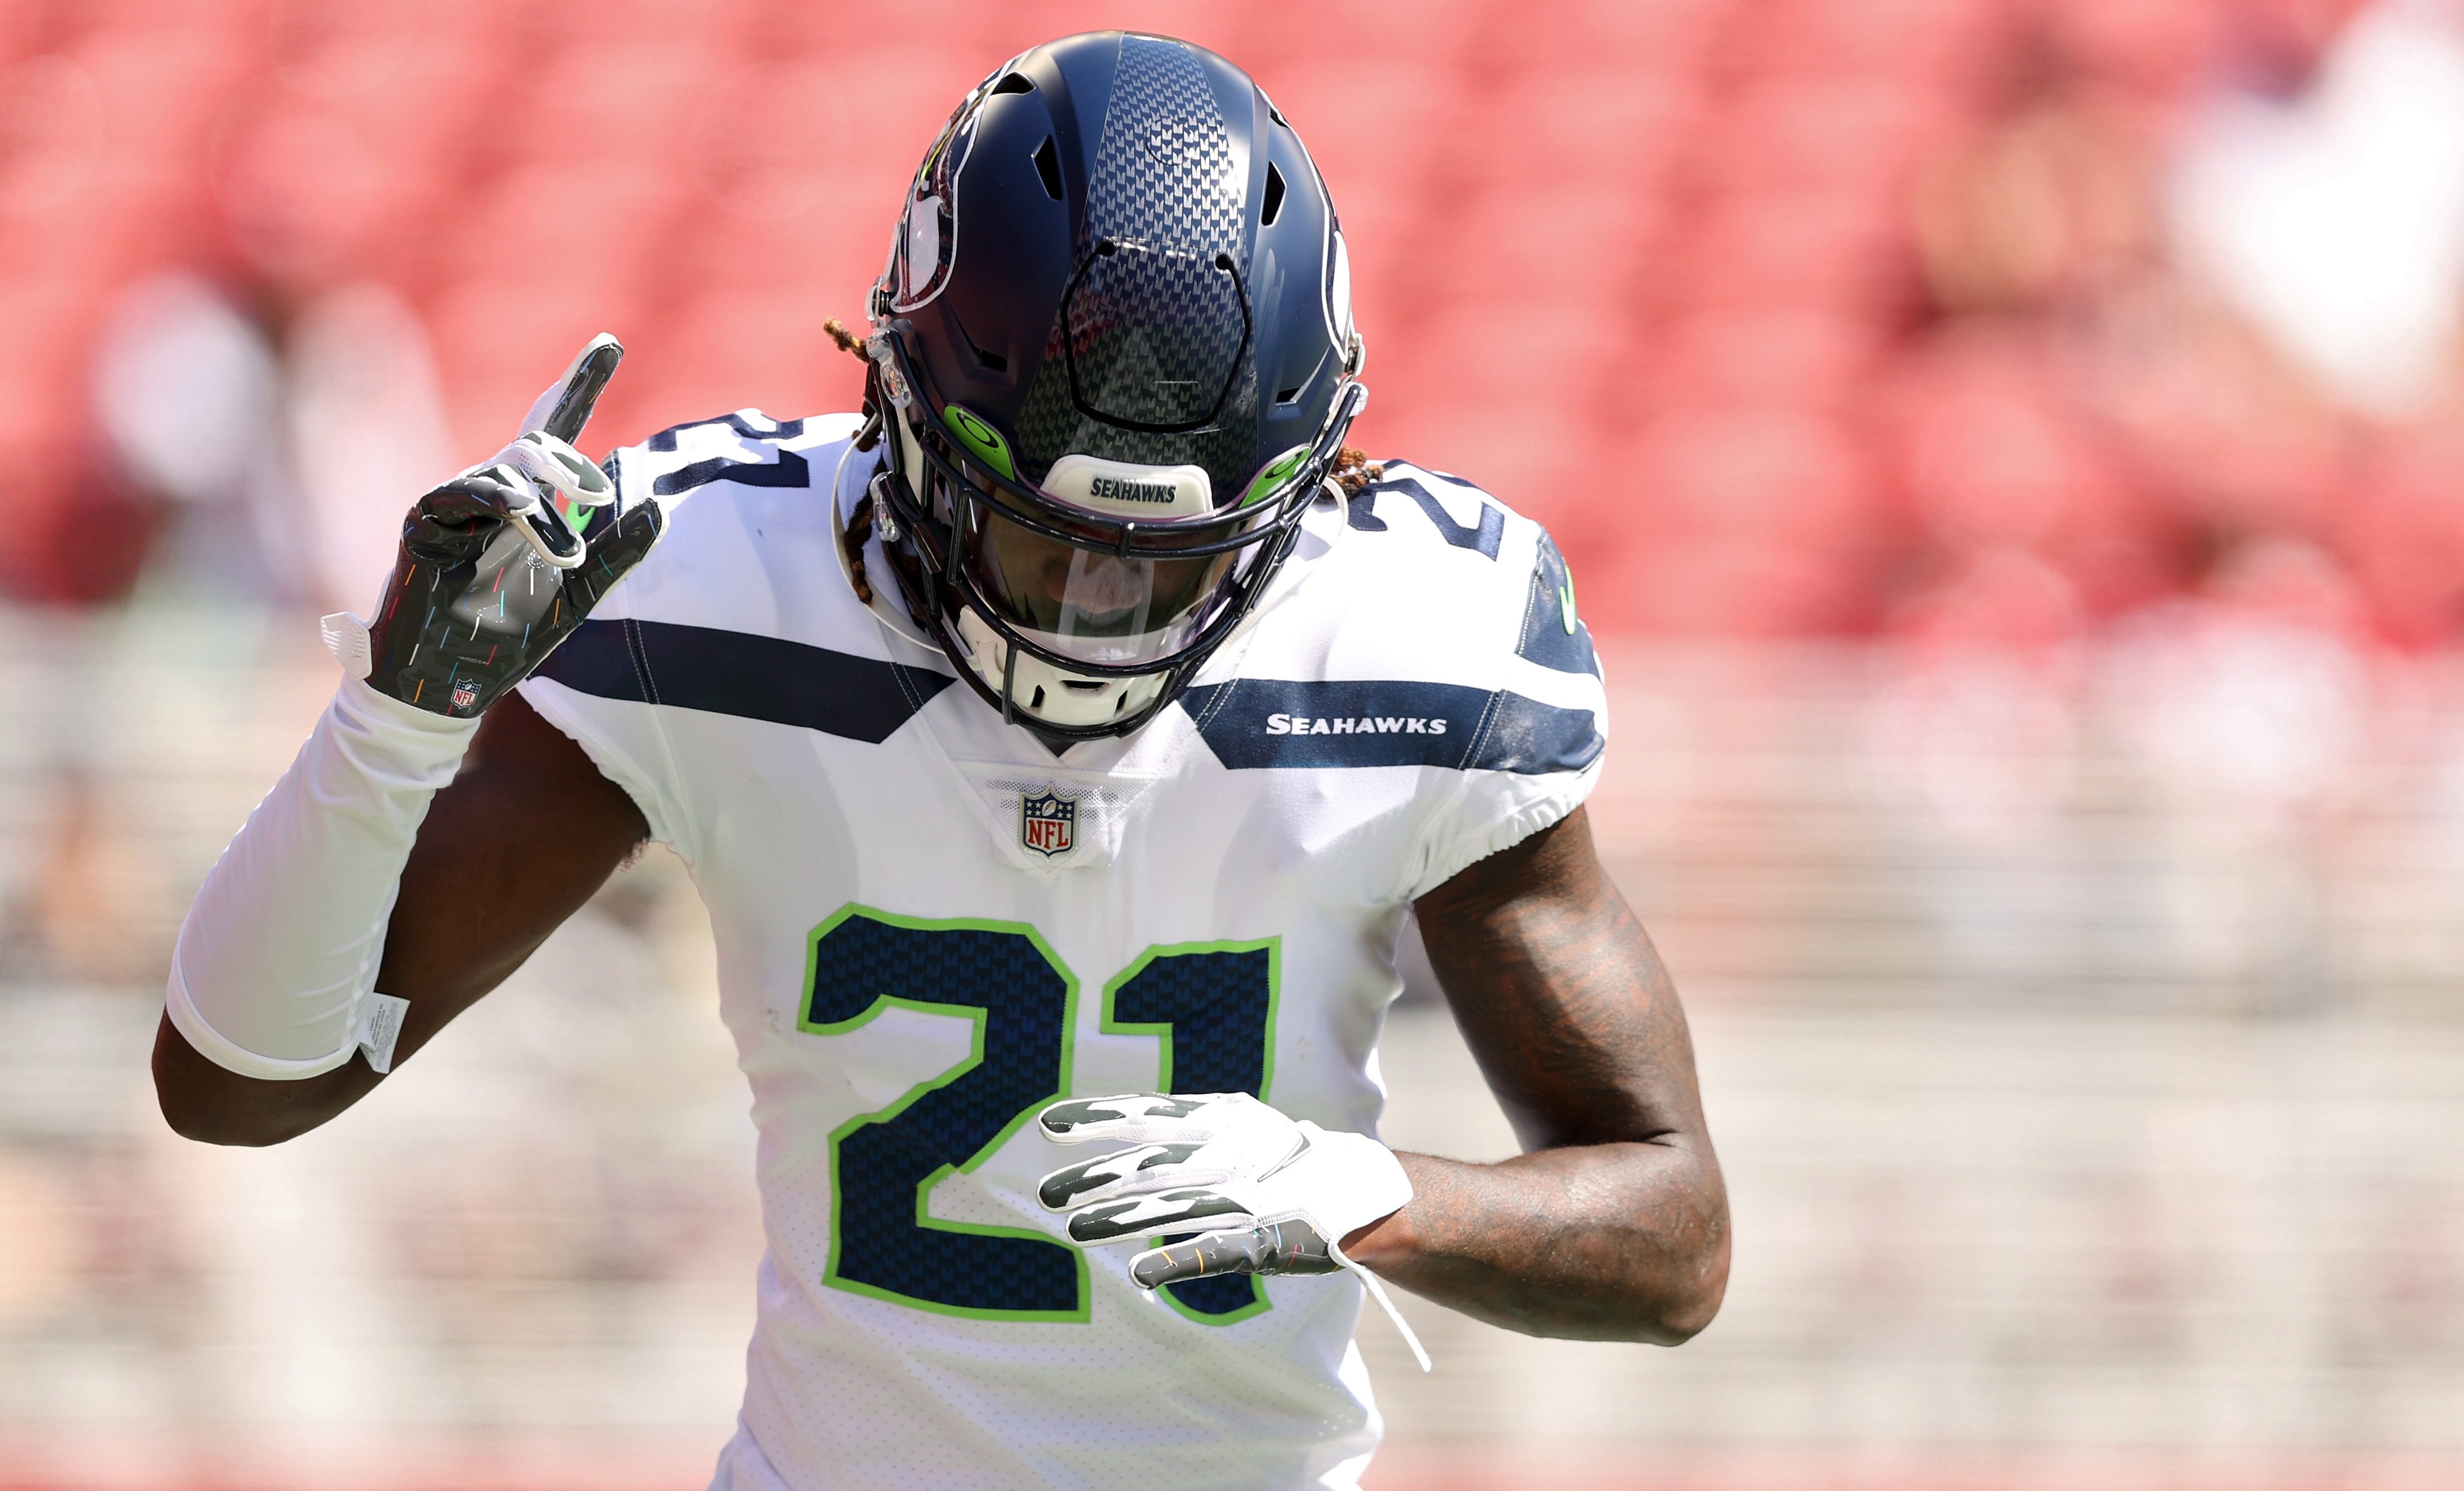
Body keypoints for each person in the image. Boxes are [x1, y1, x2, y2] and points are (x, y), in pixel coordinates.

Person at [153, 31, 1729, 1491]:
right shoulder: (710, 577)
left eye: (1167, 567)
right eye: (1044, 543)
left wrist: (1362, 1190)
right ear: (894, 406)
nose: (1099, 622)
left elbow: (1675, 1239)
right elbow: (242, 1084)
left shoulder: (1407, 628)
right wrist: (396, 720)